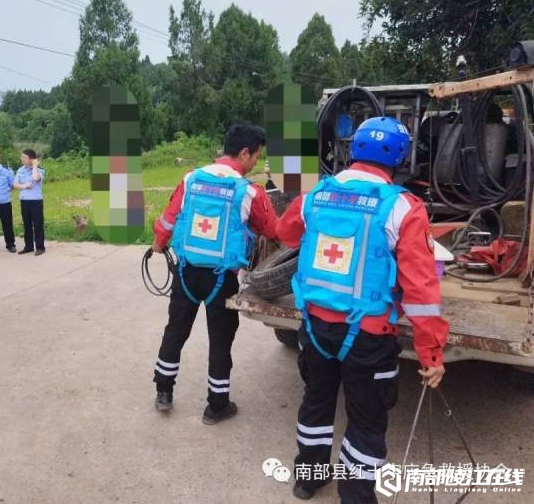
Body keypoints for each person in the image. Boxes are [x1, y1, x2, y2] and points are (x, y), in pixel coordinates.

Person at [276, 117, 449, 502]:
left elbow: (284, 234)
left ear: (353, 150)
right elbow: (421, 288)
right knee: (367, 419)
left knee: (316, 401)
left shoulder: (316, 196)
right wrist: (431, 352)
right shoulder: (404, 208)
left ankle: (308, 477)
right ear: (401, 158)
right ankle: (354, 495)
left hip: (316, 329)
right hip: (369, 337)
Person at [150, 123, 279, 424]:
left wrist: (158, 246)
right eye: (256, 157)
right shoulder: (248, 192)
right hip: (222, 280)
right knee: (220, 339)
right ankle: (217, 406)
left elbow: (168, 222)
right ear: (244, 153)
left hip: (186, 273)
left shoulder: (191, 179)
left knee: (175, 330)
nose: (255, 164)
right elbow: (272, 229)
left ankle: (164, 392)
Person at [14, 149, 45, 255]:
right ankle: (29, 246)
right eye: (21, 157)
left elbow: (36, 178)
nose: (22, 159)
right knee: (27, 225)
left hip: (36, 201)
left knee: (38, 225)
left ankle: (40, 247)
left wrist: (35, 165)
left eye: (24, 157)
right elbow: (15, 185)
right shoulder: (20, 170)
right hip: (24, 201)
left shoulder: (39, 170)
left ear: (31, 159)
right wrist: (24, 186)